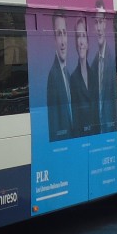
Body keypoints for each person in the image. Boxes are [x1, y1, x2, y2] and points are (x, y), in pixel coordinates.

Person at [45, 11, 73, 141]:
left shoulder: (66, 73)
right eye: (58, 34)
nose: (63, 42)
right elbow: (54, 125)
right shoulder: (53, 76)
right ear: (54, 40)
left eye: (64, 33)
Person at [90, 0, 117, 133]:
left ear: (106, 23)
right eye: (96, 22)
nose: (99, 27)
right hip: (98, 131)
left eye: (101, 22)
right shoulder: (94, 63)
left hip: (110, 129)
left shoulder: (113, 59)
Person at [69, 15, 98, 137]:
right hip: (80, 137)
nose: (81, 42)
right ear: (76, 43)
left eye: (83, 36)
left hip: (96, 135)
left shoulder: (94, 75)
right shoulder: (73, 79)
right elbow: (75, 118)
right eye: (78, 37)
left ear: (88, 43)